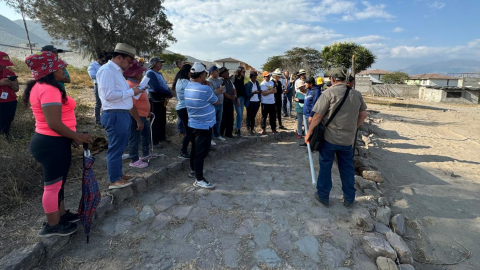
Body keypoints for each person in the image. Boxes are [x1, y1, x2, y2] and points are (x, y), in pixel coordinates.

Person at [24, 51, 92, 237]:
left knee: (58, 182)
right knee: (52, 185)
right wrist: (77, 136)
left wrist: (70, 137)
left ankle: (60, 215)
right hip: (51, 143)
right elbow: (54, 123)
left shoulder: (43, 86)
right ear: (50, 70)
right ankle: (52, 224)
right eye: (60, 66)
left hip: (54, 141)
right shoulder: (49, 89)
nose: (64, 69)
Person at [306, 68, 368, 208]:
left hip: (329, 138)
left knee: (326, 166)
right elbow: (363, 115)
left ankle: (323, 196)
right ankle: (349, 199)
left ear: (333, 79)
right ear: (345, 80)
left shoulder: (328, 93)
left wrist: (309, 132)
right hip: (347, 140)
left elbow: (318, 116)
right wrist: (353, 129)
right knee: (347, 168)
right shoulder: (356, 94)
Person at [97, 43, 144, 189]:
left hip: (120, 114)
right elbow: (108, 95)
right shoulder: (107, 71)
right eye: (129, 61)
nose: (130, 65)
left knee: (120, 147)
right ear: (119, 57)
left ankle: (118, 175)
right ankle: (114, 180)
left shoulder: (116, 71)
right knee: (116, 148)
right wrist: (132, 92)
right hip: (114, 114)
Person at [184, 62, 219, 189]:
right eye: (205, 74)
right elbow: (216, 101)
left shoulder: (188, 86)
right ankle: (199, 179)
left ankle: (194, 170)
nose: (206, 76)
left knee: (194, 149)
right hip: (204, 125)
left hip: (193, 123)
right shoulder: (205, 89)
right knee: (201, 153)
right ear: (201, 76)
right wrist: (207, 86)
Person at [124, 60, 151, 168]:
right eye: (140, 73)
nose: (142, 74)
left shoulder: (138, 84)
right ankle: (134, 160)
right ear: (134, 74)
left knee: (146, 135)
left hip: (142, 115)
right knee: (134, 138)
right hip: (136, 117)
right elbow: (131, 105)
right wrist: (138, 120)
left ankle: (145, 154)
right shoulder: (131, 85)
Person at [146, 57, 173, 146]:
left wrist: (168, 92)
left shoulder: (158, 73)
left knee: (162, 120)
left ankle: (162, 137)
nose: (161, 64)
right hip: (155, 100)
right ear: (154, 64)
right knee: (155, 121)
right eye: (159, 62)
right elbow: (156, 87)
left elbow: (162, 85)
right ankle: (154, 141)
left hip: (161, 99)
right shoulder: (150, 73)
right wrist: (168, 93)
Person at [176, 63, 193, 159]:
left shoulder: (179, 80)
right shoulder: (187, 83)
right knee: (189, 131)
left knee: (189, 130)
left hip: (181, 108)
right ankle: (183, 151)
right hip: (184, 108)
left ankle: (185, 150)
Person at [0, 51, 19, 138]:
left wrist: (12, 85)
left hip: (10, 101)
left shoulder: (10, 73)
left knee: (7, 122)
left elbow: (16, 89)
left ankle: (6, 137)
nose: (4, 66)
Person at [207, 65, 226, 143]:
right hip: (212, 104)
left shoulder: (220, 80)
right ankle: (210, 138)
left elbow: (224, 90)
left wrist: (218, 90)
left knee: (218, 120)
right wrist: (219, 90)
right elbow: (211, 92)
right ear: (212, 72)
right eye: (217, 71)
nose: (218, 72)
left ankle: (217, 135)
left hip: (220, 103)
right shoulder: (208, 81)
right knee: (211, 121)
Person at [87, 52, 106, 125]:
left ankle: (103, 119)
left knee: (105, 102)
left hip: (105, 85)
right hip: (98, 85)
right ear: (98, 59)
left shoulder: (104, 65)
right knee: (98, 103)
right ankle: (97, 120)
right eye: (102, 61)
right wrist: (103, 74)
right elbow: (92, 75)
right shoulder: (92, 65)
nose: (104, 62)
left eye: (105, 61)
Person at [219, 67, 237, 138]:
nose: (227, 74)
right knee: (224, 118)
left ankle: (229, 133)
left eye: (227, 72)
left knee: (230, 118)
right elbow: (223, 92)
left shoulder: (229, 81)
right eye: (226, 73)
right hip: (224, 101)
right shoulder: (221, 81)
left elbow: (234, 89)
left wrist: (235, 95)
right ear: (222, 74)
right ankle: (221, 133)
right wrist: (230, 97)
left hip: (230, 101)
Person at [245, 71, 261, 135]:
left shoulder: (257, 83)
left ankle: (252, 128)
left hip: (256, 102)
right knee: (249, 116)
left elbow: (259, 91)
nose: (255, 78)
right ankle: (248, 128)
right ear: (251, 77)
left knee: (253, 116)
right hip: (250, 102)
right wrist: (253, 93)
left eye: (256, 77)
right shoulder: (247, 84)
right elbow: (246, 95)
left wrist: (259, 96)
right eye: (254, 77)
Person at [233, 66, 246, 137]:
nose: (244, 73)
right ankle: (237, 129)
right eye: (243, 72)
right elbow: (234, 89)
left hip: (242, 97)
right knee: (239, 113)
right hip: (237, 98)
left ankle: (237, 128)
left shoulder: (242, 78)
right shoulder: (234, 78)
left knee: (240, 114)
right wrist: (237, 98)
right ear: (239, 72)